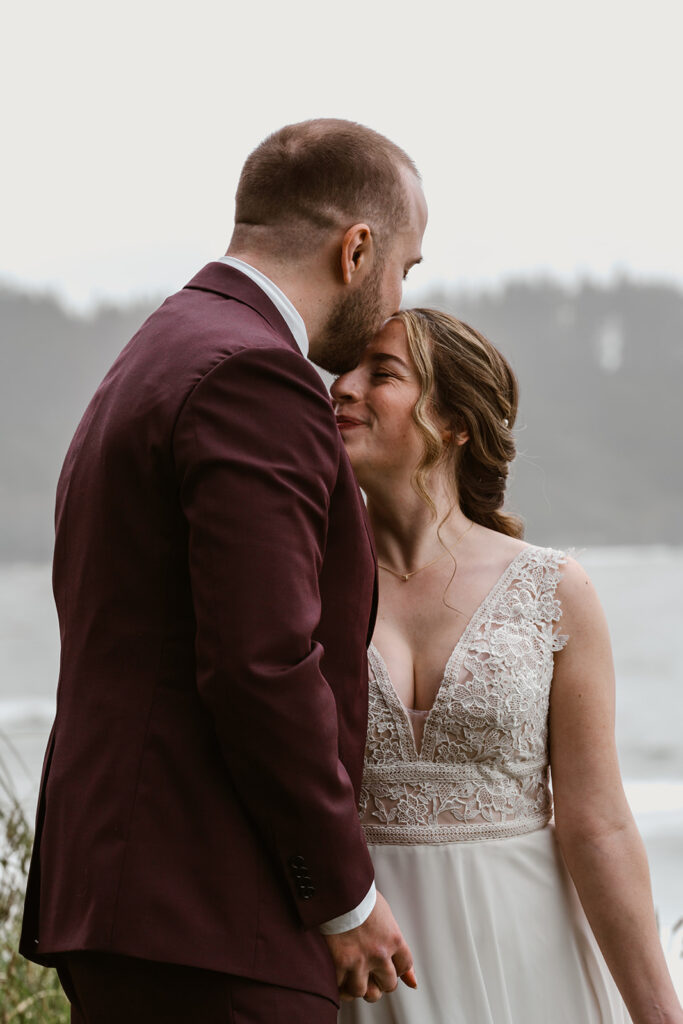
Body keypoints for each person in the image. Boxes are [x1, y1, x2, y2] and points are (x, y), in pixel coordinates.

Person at [19, 120, 428, 1022]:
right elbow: (259, 663)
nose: (398, 297)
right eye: (406, 266)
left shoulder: (157, 353)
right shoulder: (254, 375)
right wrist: (342, 896)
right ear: (355, 249)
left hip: (136, 901)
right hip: (211, 911)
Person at [332, 308, 683, 1024]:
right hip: (359, 959)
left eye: (382, 373)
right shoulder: (301, 585)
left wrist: (659, 1015)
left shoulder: (554, 592)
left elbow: (598, 825)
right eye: (344, 367)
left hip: (526, 953)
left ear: (455, 421)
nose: (340, 387)